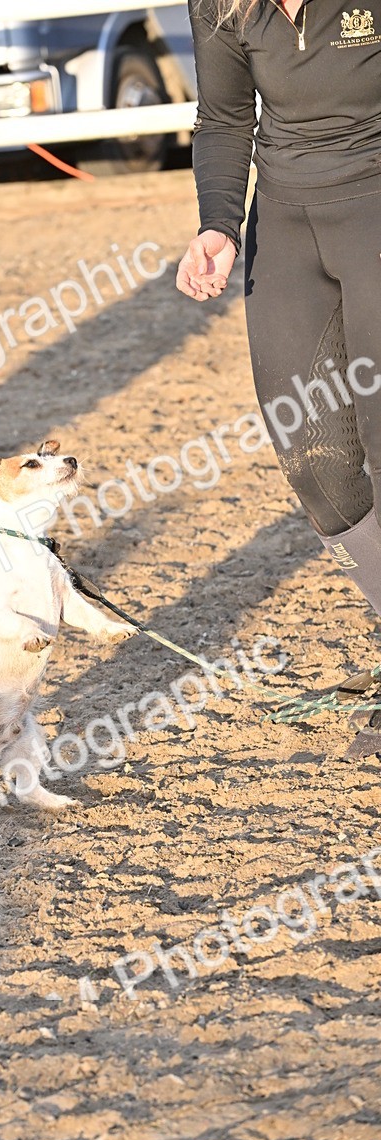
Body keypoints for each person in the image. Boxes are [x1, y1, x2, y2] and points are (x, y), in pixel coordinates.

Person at [176, 0, 381, 756]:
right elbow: (224, 118)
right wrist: (217, 226)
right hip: (287, 225)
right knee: (316, 465)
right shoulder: (221, 3)